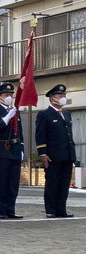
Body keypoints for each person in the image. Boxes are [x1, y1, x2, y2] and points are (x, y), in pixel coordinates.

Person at [36, 84, 76, 218]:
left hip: (67, 155)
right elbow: (40, 135)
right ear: (52, 99)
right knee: (52, 183)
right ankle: (51, 209)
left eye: (64, 95)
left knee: (64, 184)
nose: (63, 98)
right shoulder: (45, 114)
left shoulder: (66, 114)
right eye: (60, 96)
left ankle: (61, 209)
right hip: (52, 156)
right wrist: (43, 153)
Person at [0, 83, 24, 219]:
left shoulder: (15, 110)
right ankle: (1, 210)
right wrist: (8, 117)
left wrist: (22, 148)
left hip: (15, 149)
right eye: (6, 95)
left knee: (13, 182)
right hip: (2, 149)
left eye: (10, 95)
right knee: (1, 182)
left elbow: (20, 131)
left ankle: (10, 209)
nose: (9, 97)